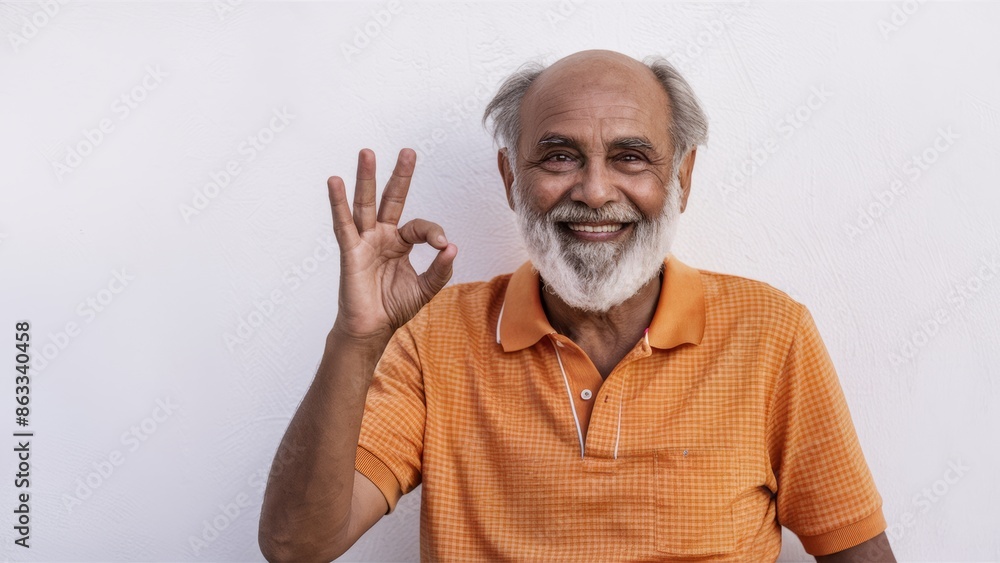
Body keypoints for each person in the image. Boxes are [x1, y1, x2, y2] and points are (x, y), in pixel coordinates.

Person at [258, 50, 894, 562]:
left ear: (682, 179)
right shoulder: (435, 338)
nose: (594, 191)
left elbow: (855, 549)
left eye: (630, 157)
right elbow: (296, 546)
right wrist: (355, 340)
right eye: (560, 156)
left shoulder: (770, 333)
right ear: (512, 180)